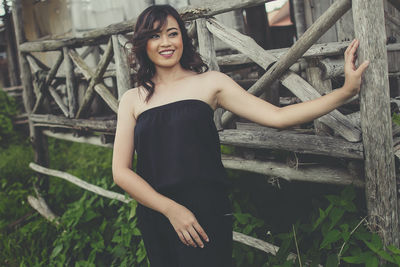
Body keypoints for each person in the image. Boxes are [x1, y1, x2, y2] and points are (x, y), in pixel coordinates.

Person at [112, 4, 369, 267]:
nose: (165, 43)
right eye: (155, 36)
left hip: (205, 212)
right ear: (143, 43)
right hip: (157, 214)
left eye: (172, 33)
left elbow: (277, 117)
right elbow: (121, 171)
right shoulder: (132, 99)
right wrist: (170, 209)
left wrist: (345, 92)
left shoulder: (211, 83)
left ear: (183, 38)